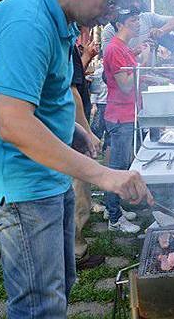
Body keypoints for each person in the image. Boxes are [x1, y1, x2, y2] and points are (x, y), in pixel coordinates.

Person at [0, 0, 154, 318]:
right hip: (19, 185)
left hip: (47, 175)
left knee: (58, 289)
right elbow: (14, 123)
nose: (109, 14)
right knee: (39, 307)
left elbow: (49, 92)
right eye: (110, 1)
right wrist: (105, 176)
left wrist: (74, 129)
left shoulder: (58, 17)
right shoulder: (27, 22)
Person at [102, 8, 152, 233]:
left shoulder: (122, 48)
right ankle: (114, 218)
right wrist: (144, 61)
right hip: (120, 116)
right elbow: (125, 84)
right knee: (117, 169)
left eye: (138, 19)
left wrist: (137, 53)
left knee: (122, 165)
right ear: (121, 23)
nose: (138, 24)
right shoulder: (113, 48)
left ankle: (116, 210)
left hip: (128, 113)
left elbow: (127, 69)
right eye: (134, 20)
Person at [71, 29, 106, 270]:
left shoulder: (67, 48)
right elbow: (72, 91)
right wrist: (87, 133)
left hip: (68, 129)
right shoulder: (66, 47)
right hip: (72, 133)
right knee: (78, 190)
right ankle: (76, 252)